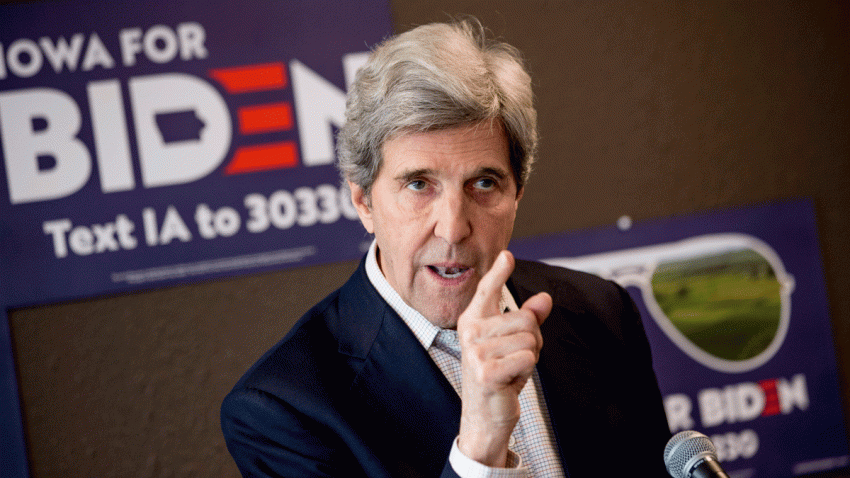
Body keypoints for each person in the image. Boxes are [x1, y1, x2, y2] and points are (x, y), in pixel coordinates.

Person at [221, 18, 671, 478]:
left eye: (483, 182)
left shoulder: (599, 312)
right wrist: (480, 444)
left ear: (517, 194)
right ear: (364, 201)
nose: (454, 228)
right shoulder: (283, 409)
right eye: (419, 184)